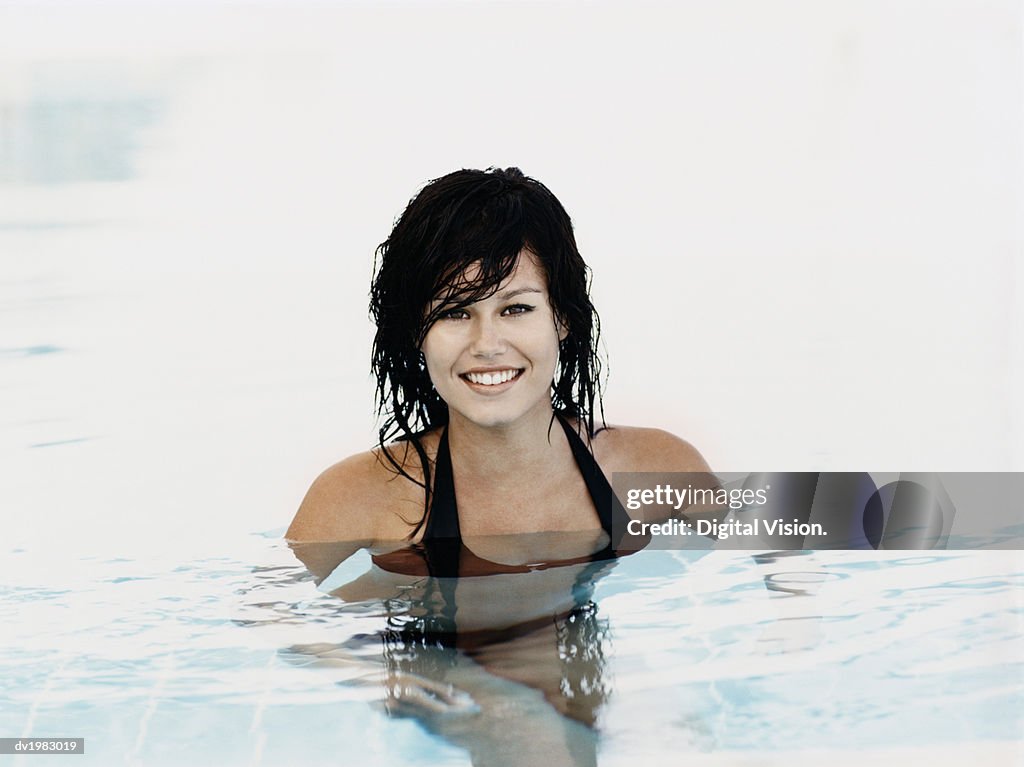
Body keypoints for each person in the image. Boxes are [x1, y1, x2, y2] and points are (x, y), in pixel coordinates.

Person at [285, 166, 710, 572]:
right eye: (454, 313)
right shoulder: (360, 496)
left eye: (516, 308)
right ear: (417, 331)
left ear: (561, 318)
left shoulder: (661, 467)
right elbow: (262, 609)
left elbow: (774, 552)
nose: (487, 345)